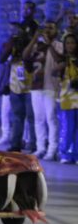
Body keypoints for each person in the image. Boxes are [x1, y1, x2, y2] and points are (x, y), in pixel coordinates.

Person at [24, 21, 63, 160]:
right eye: (45, 28)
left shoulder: (59, 45)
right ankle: (41, 148)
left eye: (50, 28)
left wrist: (49, 44)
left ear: (56, 30)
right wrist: (35, 39)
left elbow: (60, 60)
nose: (47, 30)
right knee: (39, 119)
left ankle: (52, 149)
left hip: (51, 87)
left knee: (51, 119)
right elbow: (25, 56)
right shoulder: (37, 45)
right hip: (36, 86)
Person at [0, 21, 36, 152]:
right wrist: (11, 46)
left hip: (30, 87)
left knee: (32, 118)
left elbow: (30, 67)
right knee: (17, 117)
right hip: (15, 87)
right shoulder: (12, 45)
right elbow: (2, 60)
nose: (19, 35)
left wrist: (22, 50)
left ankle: (33, 145)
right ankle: (16, 144)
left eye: (22, 32)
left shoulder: (33, 46)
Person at [54, 34, 78, 164]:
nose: (70, 45)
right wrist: (57, 69)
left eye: (72, 43)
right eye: (67, 43)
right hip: (66, 98)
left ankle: (76, 154)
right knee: (67, 127)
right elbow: (54, 72)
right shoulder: (63, 59)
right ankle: (64, 154)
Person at [0, 23, 19, 144]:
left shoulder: (22, 46)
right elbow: (2, 65)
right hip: (8, 83)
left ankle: (22, 137)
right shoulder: (5, 45)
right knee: (5, 110)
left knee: (19, 112)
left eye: (14, 30)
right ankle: (5, 134)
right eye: (10, 30)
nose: (12, 32)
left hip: (20, 83)